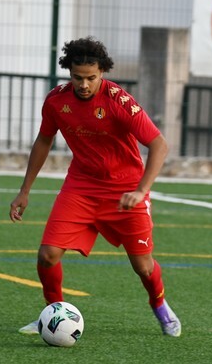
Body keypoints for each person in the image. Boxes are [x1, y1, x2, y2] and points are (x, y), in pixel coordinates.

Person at [9, 36, 181, 337]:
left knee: (143, 266)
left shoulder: (119, 102)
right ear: (69, 72)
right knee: (47, 255)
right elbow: (44, 140)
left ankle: (160, 305)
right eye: (78, 77)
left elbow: (159, 144)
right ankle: (53, 314)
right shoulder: (56, 101)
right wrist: (25, 190)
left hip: (125, 191)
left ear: (102, 71)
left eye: (91, 78)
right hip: (81, 188)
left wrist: (141, 190)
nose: (84, 85)